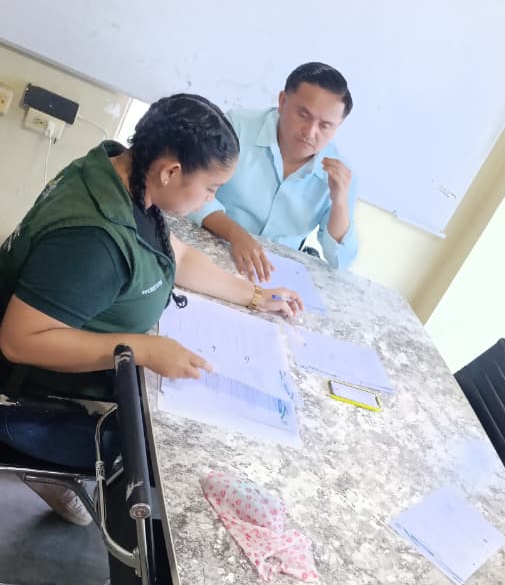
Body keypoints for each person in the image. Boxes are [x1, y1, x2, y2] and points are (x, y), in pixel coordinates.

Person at [0, 93, 302, 523]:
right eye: (211, 189)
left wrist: (252, 294)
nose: (210, 200)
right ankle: (48, 467)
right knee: (174, 457)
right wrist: (140, 349)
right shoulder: (94, 241)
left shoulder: (123, 174)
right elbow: (18, 341)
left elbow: (177, 256)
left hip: (61, 364)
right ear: (171, 171)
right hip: (32, 401)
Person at [190, 62, 358, 279]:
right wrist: (235, 234)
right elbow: (192, 188)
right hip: (208, 245)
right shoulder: (236, 127)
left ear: (338, 126)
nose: (310, 132)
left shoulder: (340, 174)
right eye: (303, 115)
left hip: (272, 274)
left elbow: (340, 260)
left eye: (325, 125)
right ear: (282, 101)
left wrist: (340, 202)